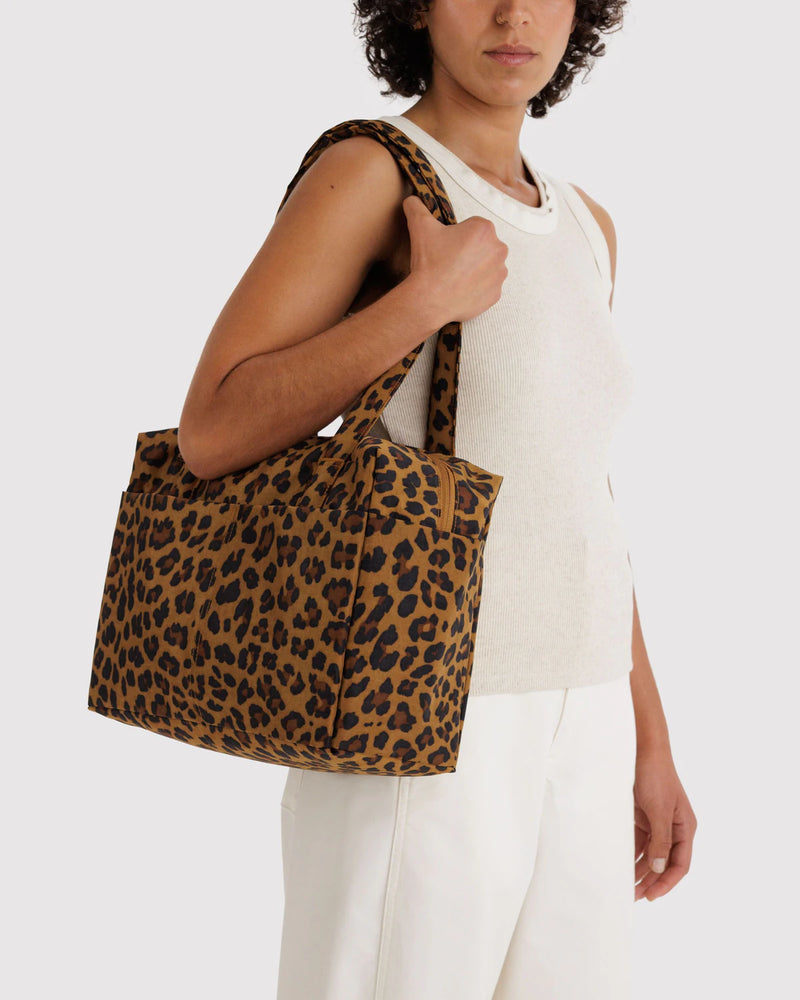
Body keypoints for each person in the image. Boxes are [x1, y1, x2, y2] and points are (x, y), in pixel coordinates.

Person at [178, 2, 698, 997]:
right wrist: (421, 304)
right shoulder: (374, 173)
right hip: (418, 701)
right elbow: (211, 428)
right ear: (415, 6)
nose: (513, 13)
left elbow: (577, 486)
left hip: (586, 711)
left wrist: (650, 737)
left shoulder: (587, 224)